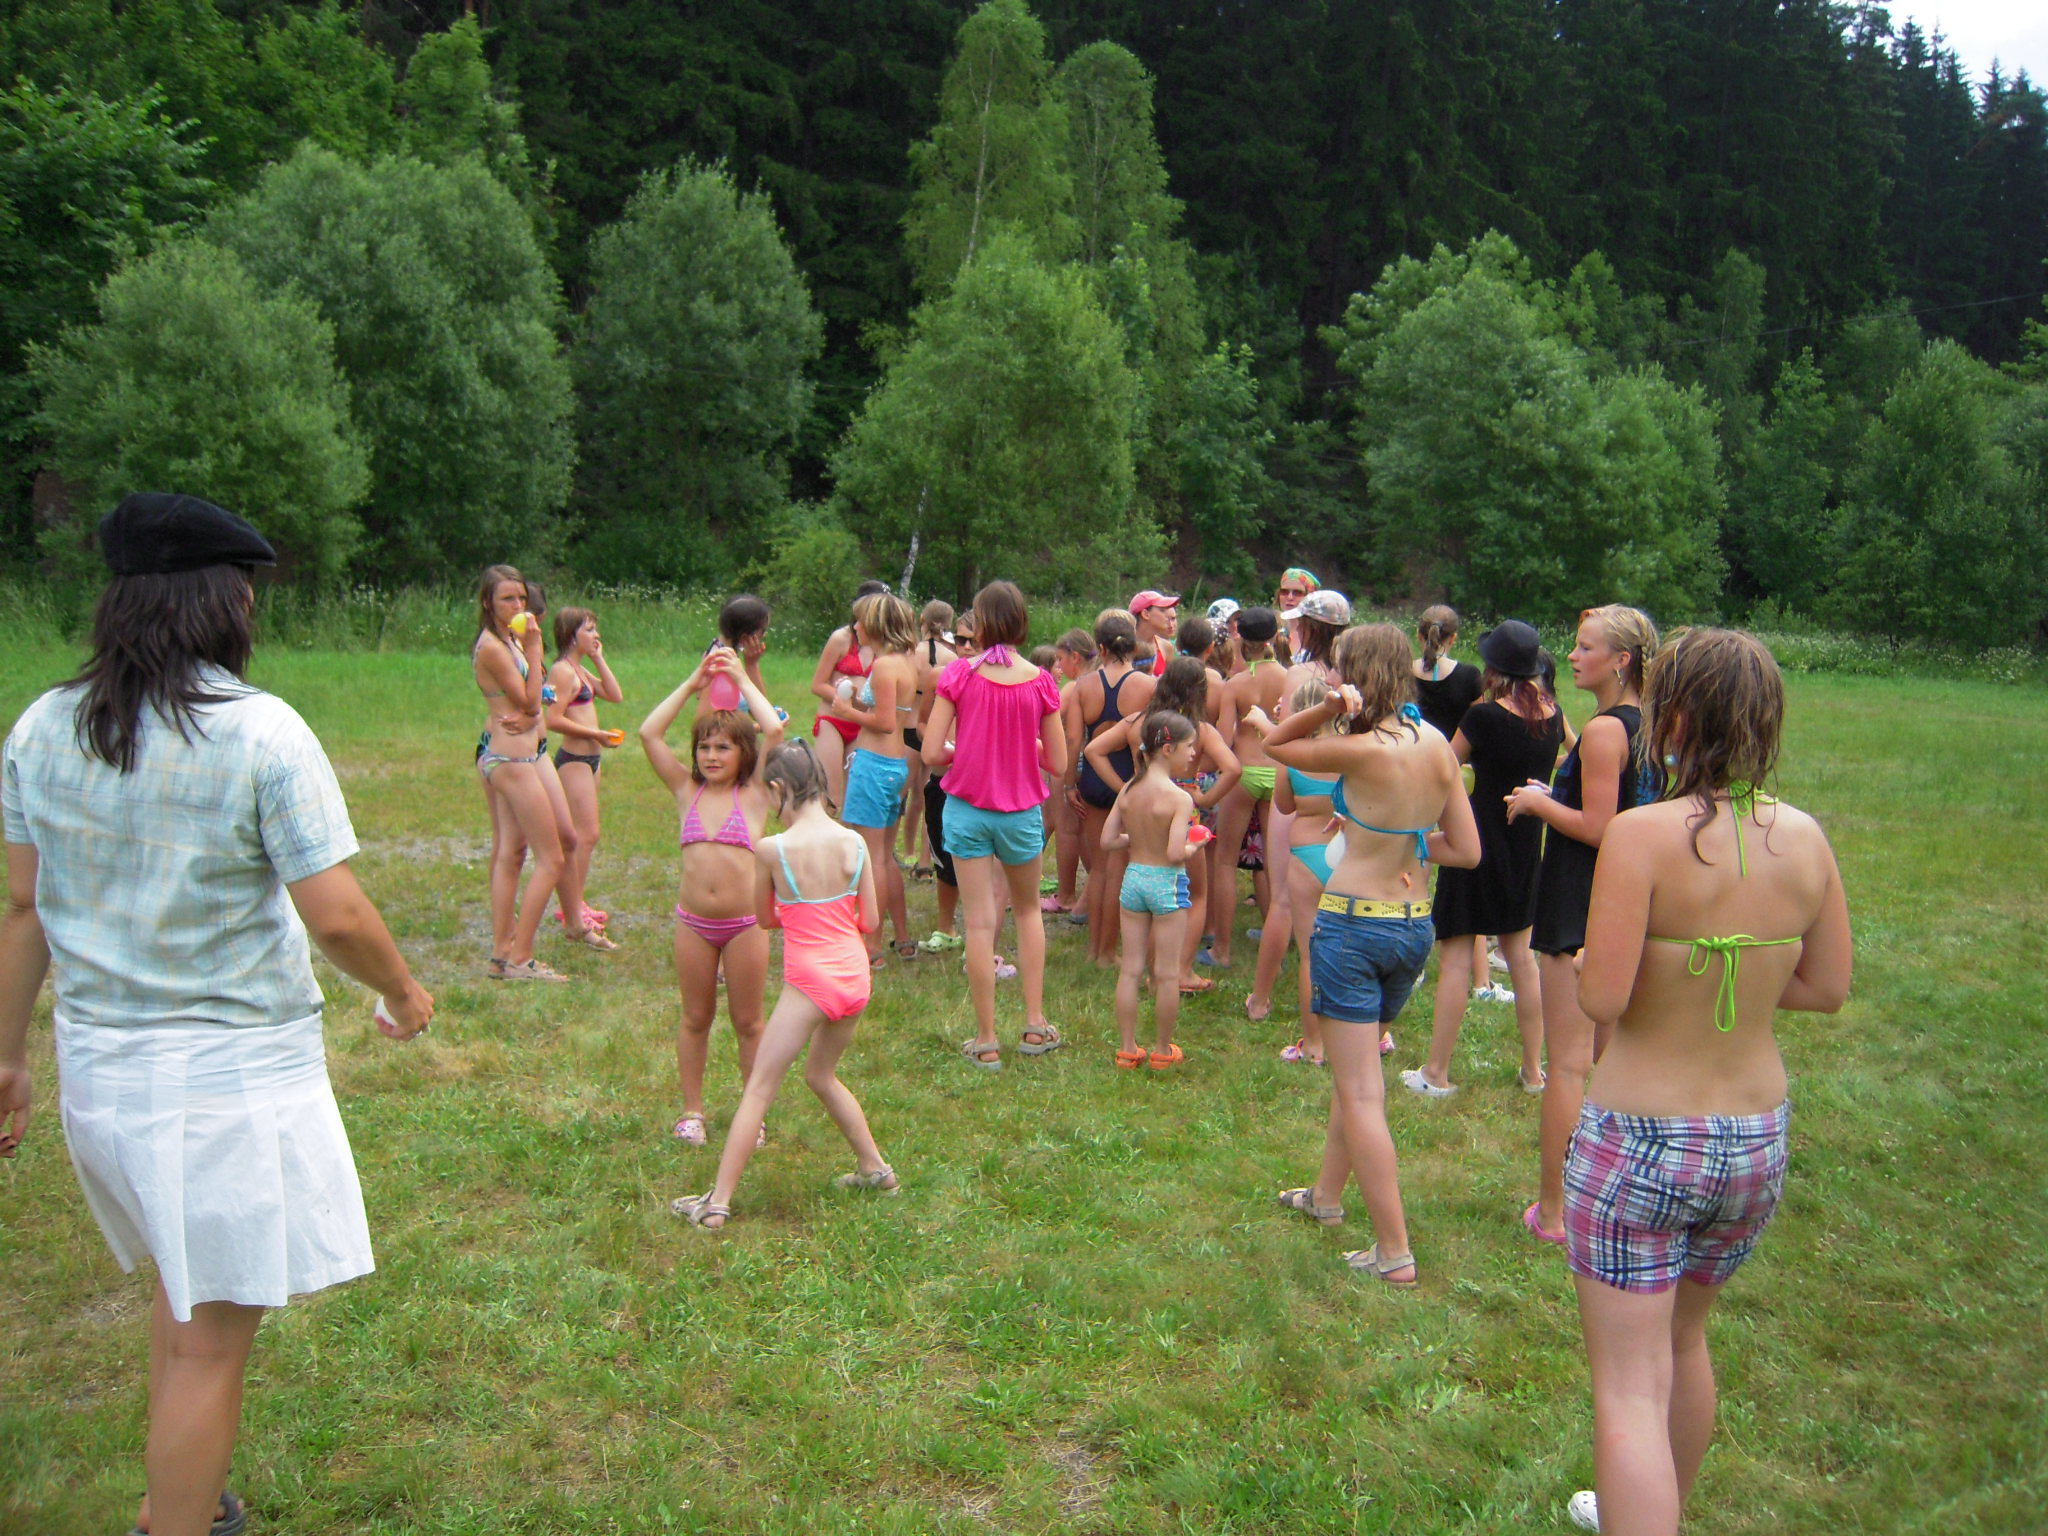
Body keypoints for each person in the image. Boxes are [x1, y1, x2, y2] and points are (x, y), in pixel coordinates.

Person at [0, 493, 433, 1536]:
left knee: (184, 1292)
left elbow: (24, 906)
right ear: (222, 602)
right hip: (222, 1090)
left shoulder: (43, 724)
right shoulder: (259, 732)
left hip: (101, 1076)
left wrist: (8, 1059)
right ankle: (179, 1523)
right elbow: (337, 915)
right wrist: (403, 991)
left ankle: (174, 1499)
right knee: (207, 1344)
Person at [1565, 628, 1850, 1536]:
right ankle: (1657, 1510)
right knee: (1685, 1341)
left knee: (1628, 1387)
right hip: (1753, 1138)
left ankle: (1638, 1512)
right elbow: (1826, 986)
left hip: (1642, 1136)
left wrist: (1643, 966)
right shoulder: (1804, 838)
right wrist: (1738, 971)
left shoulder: (1642, 836)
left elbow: (1603, 995)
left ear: (1675, 718)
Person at [1263, 624, 1480, 1284]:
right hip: (1412, 925)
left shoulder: (1359, 748)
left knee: (1360, 1091)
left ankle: (1394, 1251)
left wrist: (1328, 708)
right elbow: (1466, 850)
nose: (1330, 679)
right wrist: (1401, 840)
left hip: (1353, 924)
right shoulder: (1436, 744)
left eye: (1337, 671)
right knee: (1357, 1078)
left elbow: (1277, 745)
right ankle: (1325, 1198)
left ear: (1355, 676)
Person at [672, 742, 897, 1229]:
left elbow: (765, 918)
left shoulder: (773, 849)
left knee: (758, 1089)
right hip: (855, 977)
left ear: (777, 789)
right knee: (821, 1075)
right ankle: (876, 1169)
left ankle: (717, 1203)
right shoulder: (855, 844)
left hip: (810, 980)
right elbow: (871, 920)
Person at [1508, 604, 1662, 1244]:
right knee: (1616, 1059)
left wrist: (1539, 802)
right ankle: (1625, 1193)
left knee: (1568, 1066)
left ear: (1621, 660)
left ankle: (1555, 1212)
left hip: (1580, 899)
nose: (1571, 656)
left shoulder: (1602, 732)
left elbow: (1601, 827)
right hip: (1630, 900)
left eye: (1585, 647)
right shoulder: (1654, 724)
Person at [1405, 620, 1561, 1098]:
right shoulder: (1552, 715)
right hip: (1524, 845)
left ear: (1494, 668)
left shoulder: (1484, 717)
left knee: (1456, 957)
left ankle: (1436, 1072)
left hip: (1472, 843)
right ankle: (1534, 1071)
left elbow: (1443, 765)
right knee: (1522, 959)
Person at [639, 648, 786, 1147]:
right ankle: (692, 1112)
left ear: (744, 754)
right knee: (695, 1017)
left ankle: (752, 1113)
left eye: (723, 747)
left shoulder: (756, 795)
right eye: (704, 747)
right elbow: (648, 733)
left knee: (749, 1022)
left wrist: (741, 677)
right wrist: (692, 682)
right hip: (693, 925)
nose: (711, 756)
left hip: (745, 925)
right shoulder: (687, 790)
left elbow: (774, 730)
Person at [922, 581, 1068, 1068]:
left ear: (980, 624)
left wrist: (965, 750)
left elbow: (931, 751)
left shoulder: (959, 675)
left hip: (966, 810)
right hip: (1020, 813)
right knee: (1027, 913)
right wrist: (1025, 747)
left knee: (979, 922)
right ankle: (1034, 1024)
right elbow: (1058, 763)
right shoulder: (1041, 681)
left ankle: (985, 1040)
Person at [1083, 656, 1240, 994]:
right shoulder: (1198, 730)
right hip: (1181, 810)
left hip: (1138, 809)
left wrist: (1124, 788)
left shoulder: (1139, 722)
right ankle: (1180, 970)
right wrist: (1206, 799)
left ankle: (1128, 960)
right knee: (1193, 893)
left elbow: (1093, 750)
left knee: (1130, 885)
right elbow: (1233, 768)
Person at [473, 566, 587, 979]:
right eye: (508, 599)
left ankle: (501, 953)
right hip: (511, 761)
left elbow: (534, 699)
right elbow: (528, 701)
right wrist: (535, 647)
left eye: (521, 598)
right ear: (488, 603)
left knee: (523, 849)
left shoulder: (509, 639)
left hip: (528, 754)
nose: (518, 606)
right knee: (549, 858)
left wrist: (533, 709)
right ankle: (519, 958)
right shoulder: (493, 646)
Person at [1103, 712, 1201, 1069]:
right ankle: (1162, 1050)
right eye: (1189, 746)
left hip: (1134, 880)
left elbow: (1107, 840)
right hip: (1166, 883)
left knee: (1130, 969)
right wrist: (1195, 846)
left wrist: (1137, 837)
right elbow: (1175, 853)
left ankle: (1127, 1048)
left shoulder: (1129, 789)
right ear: (1168, 749)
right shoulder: (1179, 798)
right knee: (1168, 972)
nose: (1193, 754)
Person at [1063, 610, 1156, 968]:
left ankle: (1095, 949)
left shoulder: (1083, 686)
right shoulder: (1148, 686)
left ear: (1100, 648)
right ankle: (1107, 951)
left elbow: (1074, 740)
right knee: (1119, 870)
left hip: (1093, 779)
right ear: (1133, 647)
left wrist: (1069, 784)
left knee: (1100, 869)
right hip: (1129, 780)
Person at [835, 591, 922, 965]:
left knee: (870, 858)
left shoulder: (885, 666)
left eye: (860, 620)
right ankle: (900, 936)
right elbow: (896, 715)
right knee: (884, 856)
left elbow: (885, 722)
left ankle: (871, 944)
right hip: (894, 765)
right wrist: (862, 702)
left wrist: (846, 709)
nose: (855, 626)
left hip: (874, 764)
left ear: (876, 625)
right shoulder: (905, 662)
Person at [1209, 606, 1287, 968]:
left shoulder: (1236, 684)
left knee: (1225, 860)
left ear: (1241, 639)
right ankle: (1277, 946)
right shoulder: (1288, 678)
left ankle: (1221, 949)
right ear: (1274, 637)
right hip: (1277, 772)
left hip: (1244, 772)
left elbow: (1224, 738)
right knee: (1273, 863)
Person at [545, 606, 624, 940]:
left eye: (595, 629)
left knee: (586, 837)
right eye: (589, 629)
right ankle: (571, 909)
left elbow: (615, 695)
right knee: (584, 835)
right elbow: (553, 719)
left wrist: (598, 658)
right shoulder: (562, 671)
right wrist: (596, 735)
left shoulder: (579, 668)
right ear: (571, 633)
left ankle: (575, 902)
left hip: (591, 760)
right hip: (574, 760)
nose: (596, 635)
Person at [808, 581, 888, 810]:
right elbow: (818, 684)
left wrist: (857, 705)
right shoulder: (841, 638)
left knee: (855, 795)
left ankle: (847, 833)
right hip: (833, 721)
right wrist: (843, 699)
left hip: (861, 723)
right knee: (831, 794)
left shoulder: (884, 645)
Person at [912, 602, 963, 951]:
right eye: (962, 639)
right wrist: (940, 743)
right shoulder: (940, 675)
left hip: (981, 785)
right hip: (944, 778)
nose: (967, 647)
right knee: (944, 854)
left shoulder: (997, 680)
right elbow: (921, 722)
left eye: (974, 640)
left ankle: (981, 930)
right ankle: (946, 927)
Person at [1043, 627, 1098, 915]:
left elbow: (1048, 716)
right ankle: (1096, 888)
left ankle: (1066, 895)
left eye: (1060, 659)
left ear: (1075, 657)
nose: (1059, 666)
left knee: (1066, 829)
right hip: (1093, 766)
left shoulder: (1073, 688)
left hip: (1069, 763)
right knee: (1085, 831)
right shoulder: (1100, 682)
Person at [1411, 604, 1484, 740]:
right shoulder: (1469, 676)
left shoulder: (1403, 672)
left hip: (1410, 751)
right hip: (1454, 752)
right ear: (1453, 638)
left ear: (1419, 635)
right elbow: (1480, 724)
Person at [1129, 589, 1179, 677]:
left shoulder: (1166, 647)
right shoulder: (1122, 646)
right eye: (1162, 610)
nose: (1168, 615)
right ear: (1145, 614)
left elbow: (1172, 682)